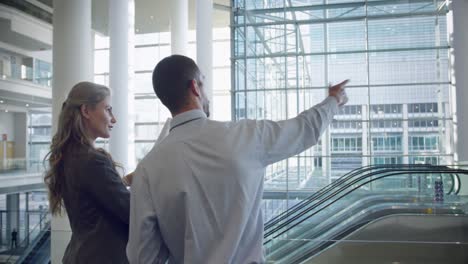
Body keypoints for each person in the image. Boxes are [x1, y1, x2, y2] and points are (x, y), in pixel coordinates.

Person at [127, 55, 349, 263]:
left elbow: (142, 255)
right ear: (195, 86)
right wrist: (333, 100)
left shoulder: (147, 168)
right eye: (203, 84)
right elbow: (303, 129)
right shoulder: (245, 136)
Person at [44, 82, 130, 264]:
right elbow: (131, 212)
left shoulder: (71, 156)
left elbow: (94, 200)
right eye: (108, 109)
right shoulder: (93, 161)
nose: (113, 119)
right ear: (86, 111)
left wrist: (126, 181)